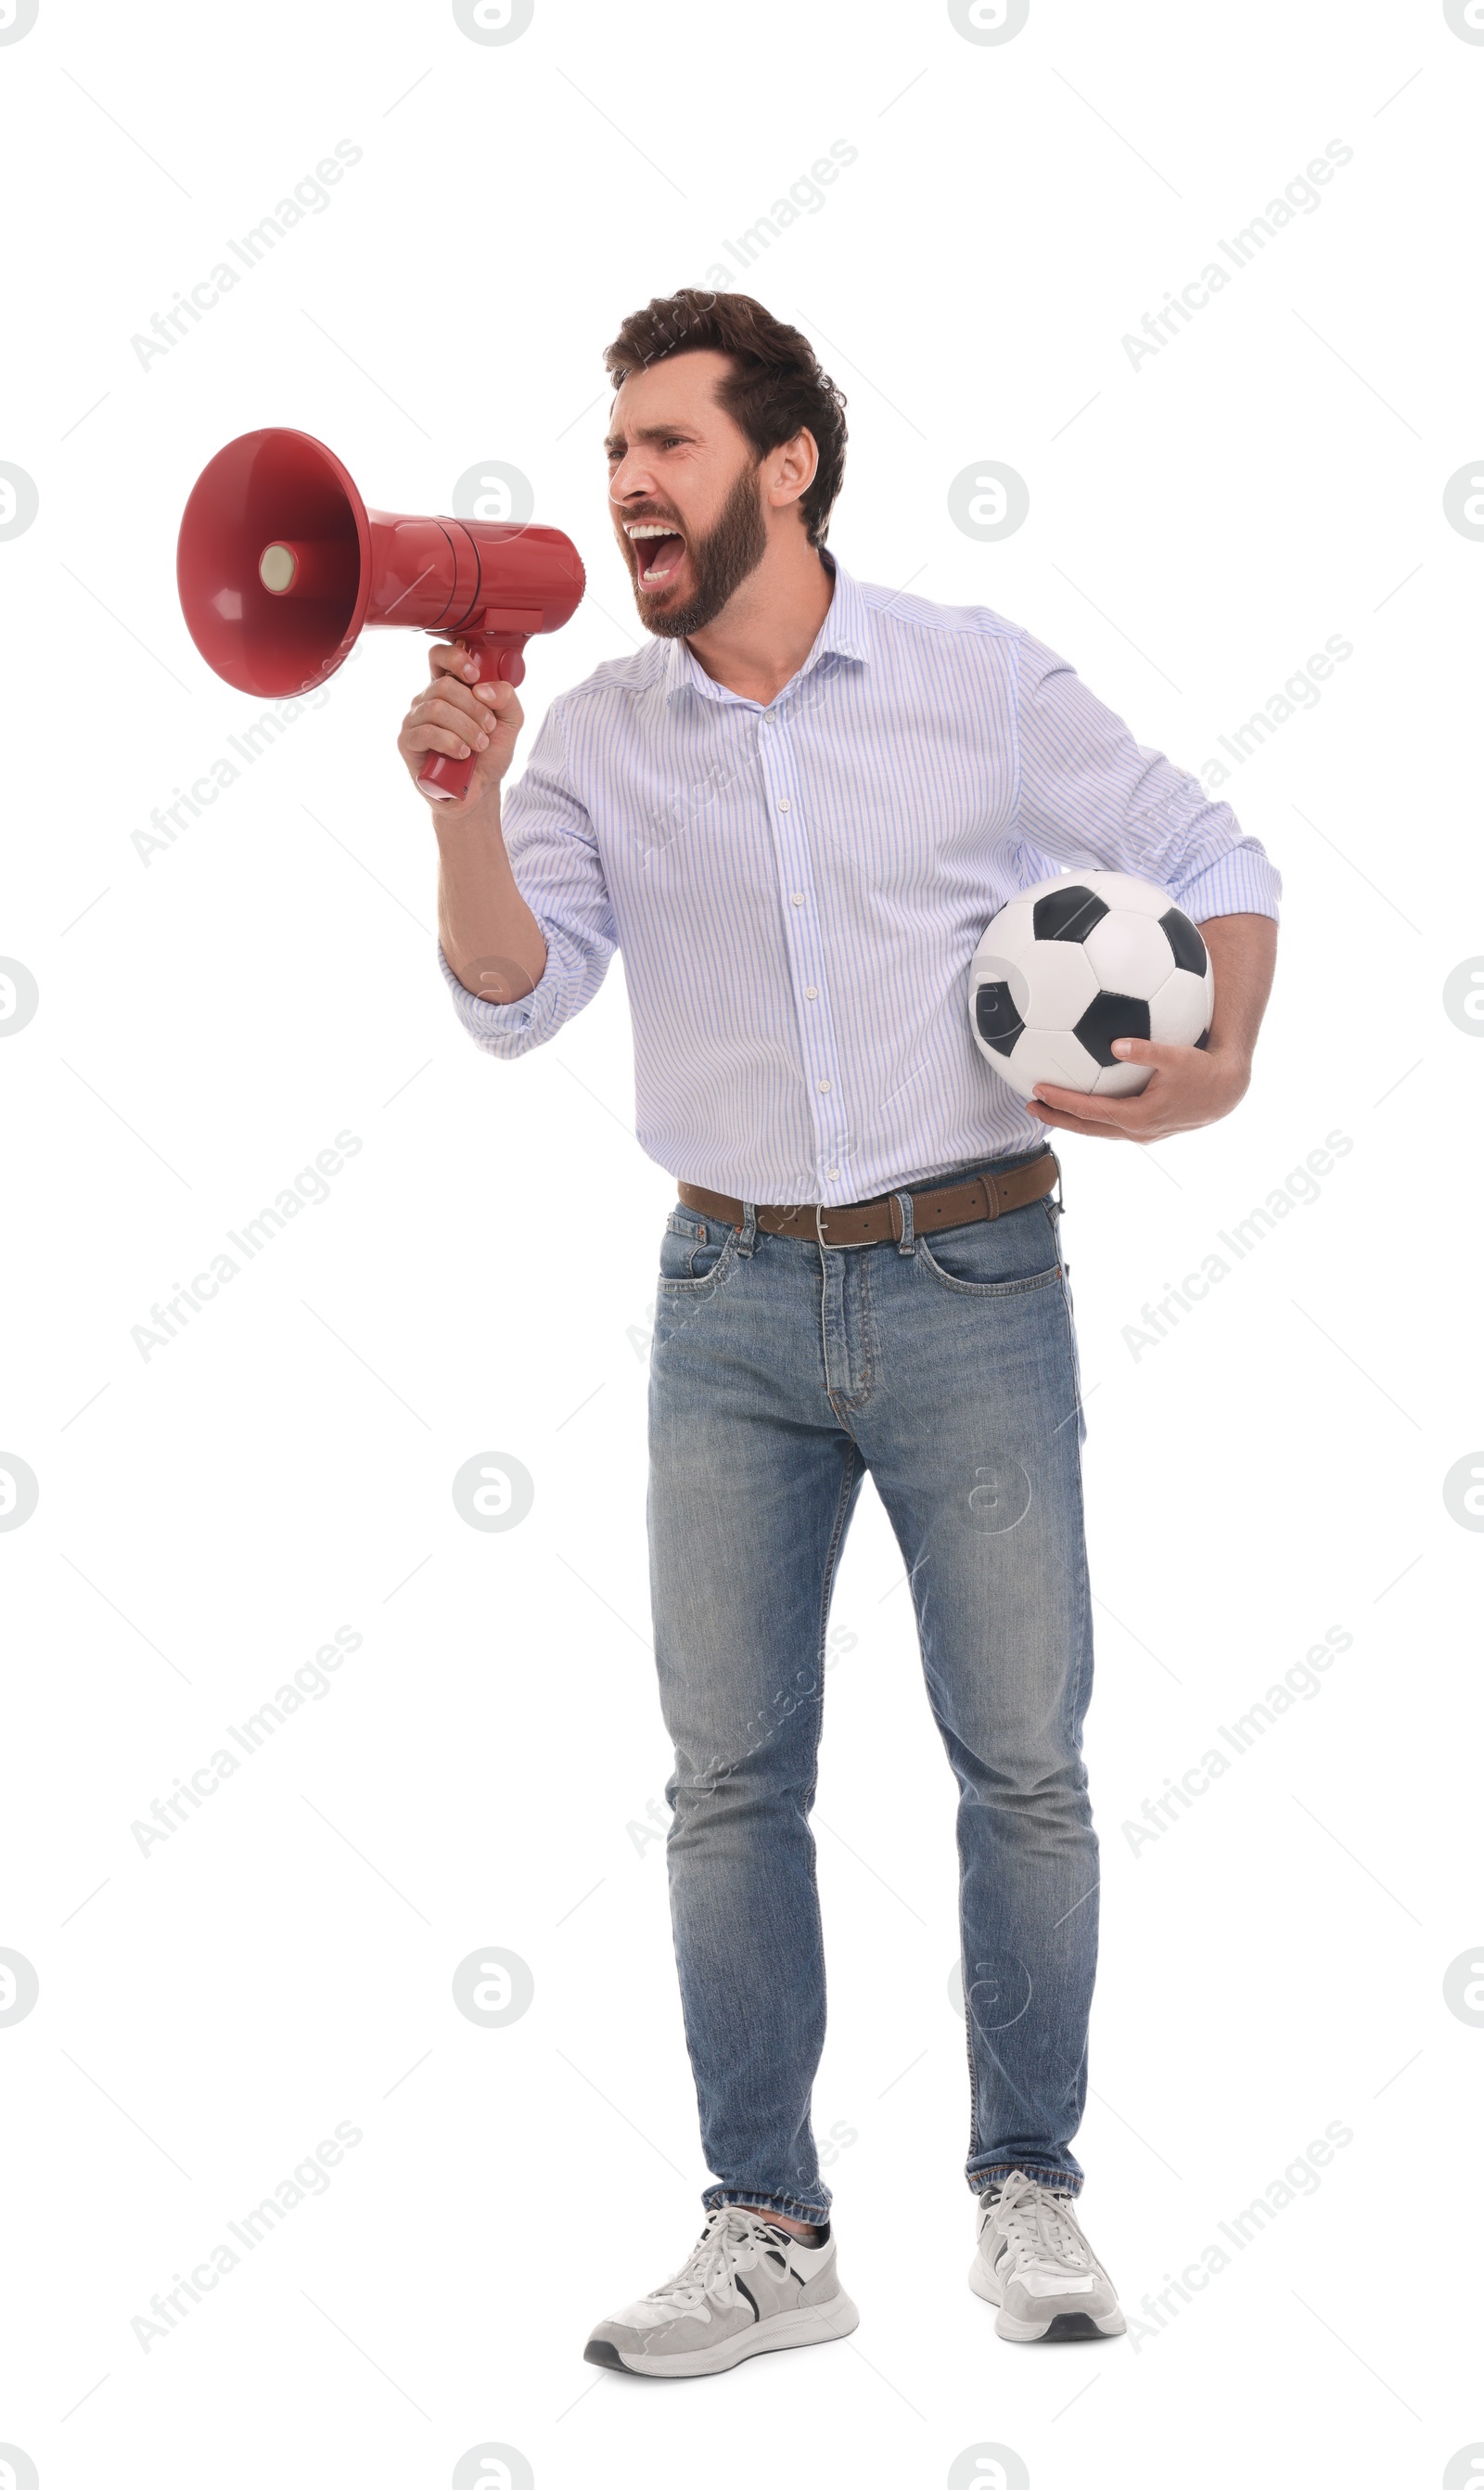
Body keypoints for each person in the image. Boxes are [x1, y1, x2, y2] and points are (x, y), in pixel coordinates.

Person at [397, 290, 1279, 2377]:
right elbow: (513, 999)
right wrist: (456, 798)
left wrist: (1217, 1063)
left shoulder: (970, 685)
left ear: (783, 464)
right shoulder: (597, 737)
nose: (624, 482)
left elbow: (1209, 851)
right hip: (722, 1305)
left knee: (1020, 1763)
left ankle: (1025, 2187)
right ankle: (767, 2226)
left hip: (972, 1280)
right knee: (727, 1781)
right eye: (610, 448)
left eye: (667, 445)